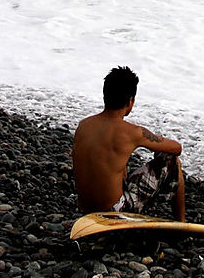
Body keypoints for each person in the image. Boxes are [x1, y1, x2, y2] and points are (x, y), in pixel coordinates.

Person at [72, 66, 186, 220]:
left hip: (85, 209)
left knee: (119, 163)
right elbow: (176, 148)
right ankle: (181, 222)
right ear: (130, 101)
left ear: (105, 95)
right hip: (114, 212)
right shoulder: (132, 132)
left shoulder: (83, 125)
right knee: (171, 160)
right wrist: (152, 142)